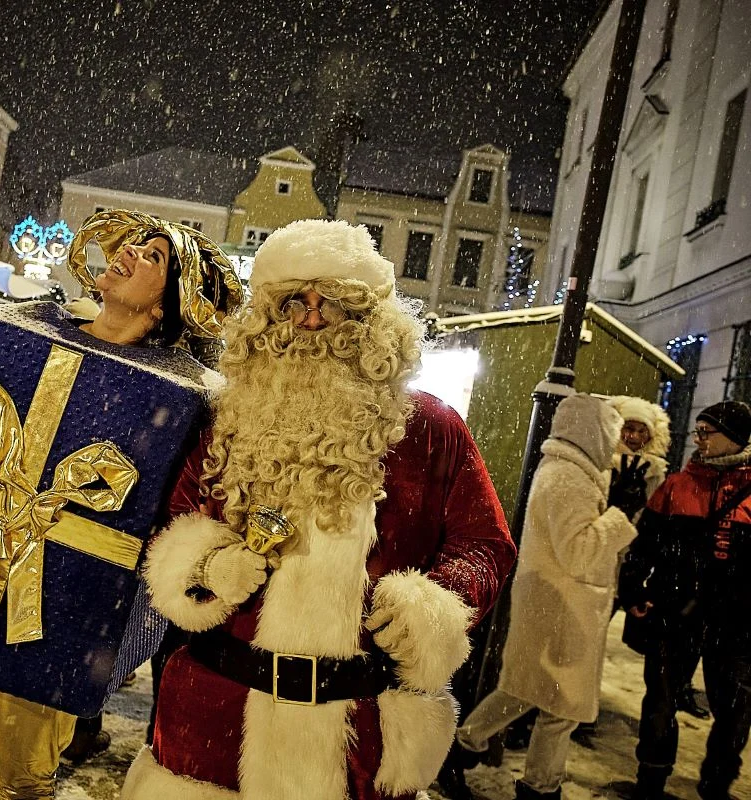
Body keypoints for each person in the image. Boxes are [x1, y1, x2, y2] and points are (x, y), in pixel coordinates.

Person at [123, 219, 515, 800]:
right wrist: (205, 565)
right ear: (265, 319)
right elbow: (175, 518)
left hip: (359, 729)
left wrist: (433, 604)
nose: (310, 318)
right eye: (292, 303)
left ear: (371, 320)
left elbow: (482, 544)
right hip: (217, 721)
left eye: (332, 301)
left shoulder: (430, 428)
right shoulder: (224, 416)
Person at [0, 209, 243, 800]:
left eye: (155, 256)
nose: (132, 251)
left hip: (65, 606)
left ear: (168, 302)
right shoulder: (13, 336)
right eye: (136, 241)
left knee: (26, 780)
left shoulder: (185, 399)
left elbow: (177, 513)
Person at [455, 393, 640, 800]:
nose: (615, 441)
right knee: (559, 709)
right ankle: (539, 787)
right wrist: (621, 513)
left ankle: (463, 746)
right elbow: (579, 551)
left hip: (556, 607)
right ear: (593, 431)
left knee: (526, 692)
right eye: (612, 431)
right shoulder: (566, 477)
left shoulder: (567, 472)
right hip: (560, 610)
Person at [619, 400, 751, 800]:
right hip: (674, 611)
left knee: (734, 712)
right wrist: (633, 590)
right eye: (698, 431)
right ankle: (651, 780)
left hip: (736, 621)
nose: (699, 439)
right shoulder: (677, 485)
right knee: (661, 700)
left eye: (707, 432)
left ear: (735, 437)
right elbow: (645, 546)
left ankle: (716, 785)